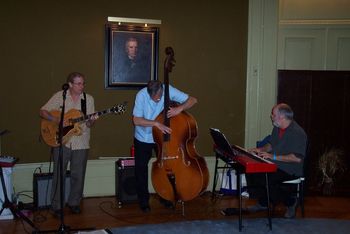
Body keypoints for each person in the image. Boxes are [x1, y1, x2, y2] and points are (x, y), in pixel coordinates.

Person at [132, 80, 197, 212]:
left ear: (162, 90)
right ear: (148, 93)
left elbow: (193, 100)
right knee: (140, 169)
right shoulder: (141, 95)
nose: (157, 100)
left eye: (159, 98)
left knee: (167, 167)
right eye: (154, 99)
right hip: (143, 137)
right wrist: (156, 124)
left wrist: (179, 108)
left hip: (163, 138)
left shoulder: (168, 90)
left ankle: (165, 196)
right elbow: (136, 120)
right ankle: (143, 201)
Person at [40, 72, 97, 217]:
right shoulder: (60, 96)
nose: (82, 86)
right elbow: (43, 111)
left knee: (78, 175)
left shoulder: (88, 99)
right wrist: (57, 119)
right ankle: (56, 206)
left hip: (81, 142)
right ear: (70, 84)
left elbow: (90, 124)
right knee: (59, 174)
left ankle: (74, 203)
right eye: (78, 83)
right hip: (60, 141)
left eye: (83, 83)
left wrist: (92, 120)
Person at [246, 103, 307, 219]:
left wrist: (273, 157)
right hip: (276, 164)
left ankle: (291, 201)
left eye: (273, 115)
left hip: (290, 169)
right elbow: (270, 145)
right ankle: (264, 202)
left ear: (282, 117)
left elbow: (297, 158)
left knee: (265, 177)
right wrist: (259, 150)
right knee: (252, 170)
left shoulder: (297, 133)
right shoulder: (277, 128)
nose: (271, 117)